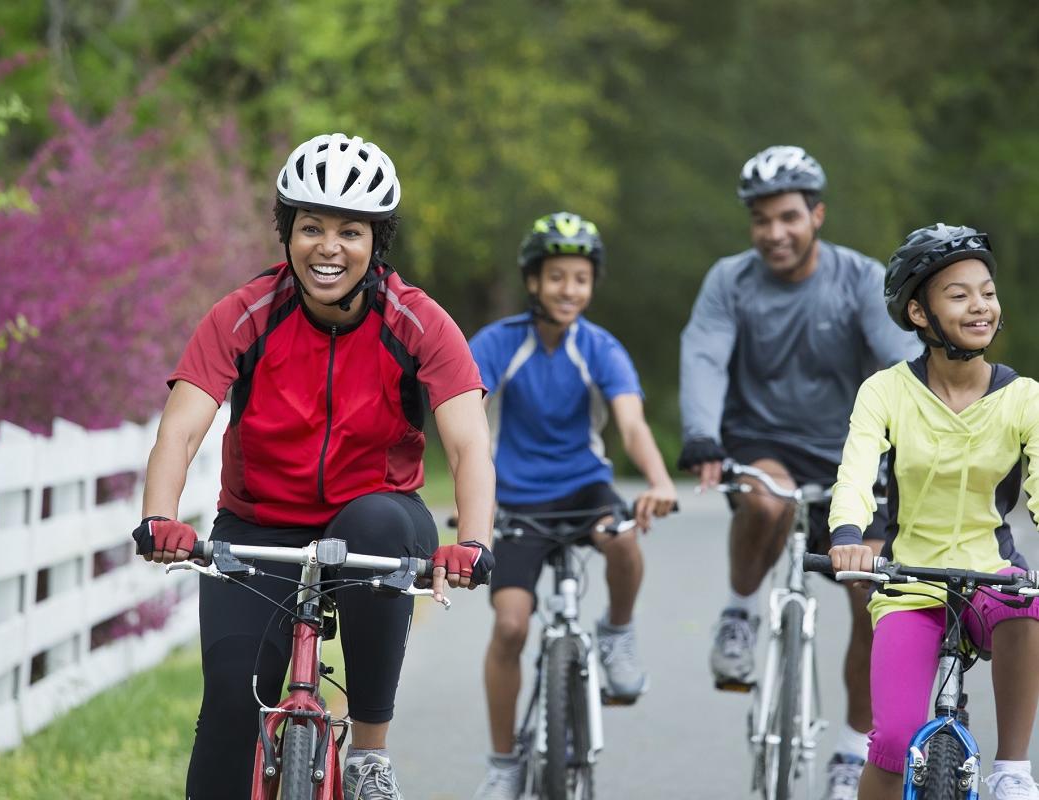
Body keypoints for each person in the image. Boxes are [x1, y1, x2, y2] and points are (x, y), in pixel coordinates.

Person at [130, 132, 496, 800]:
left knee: (377, 526)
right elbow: (181, 430)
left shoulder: (418, 322)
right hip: (257, 528)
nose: (329, 247)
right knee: (232, 710)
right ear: (287, 232)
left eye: (350, 231)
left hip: (379, 518)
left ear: (376, 241)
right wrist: (159, 517)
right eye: (311, 227)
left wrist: (472, 542)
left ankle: (369, 758)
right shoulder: (244, 313)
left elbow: (470, 442)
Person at [677, 145, 921, 799]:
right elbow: (703, 354)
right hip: (764, 443)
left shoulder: (860, 278)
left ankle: (850, 751)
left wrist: (918, 442)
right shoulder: (730, 281)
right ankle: (740, 610)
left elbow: (904, 364)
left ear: (817, 214)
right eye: (762, 220)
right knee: (763, 500)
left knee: (873, 601)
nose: (775, 233)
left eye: (788, 216)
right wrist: (701, 431)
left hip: (851, 456)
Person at [469, 212, 678, 799]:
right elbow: (470, 424)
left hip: (585, 488)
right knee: (510, 626)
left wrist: (658, 480)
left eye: (580, 278)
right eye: (557, 277)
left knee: (625, 540)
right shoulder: (496, 344)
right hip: (514, 497)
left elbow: (632, 425)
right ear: (534, 281)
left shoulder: (601, 348)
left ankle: (616, 630)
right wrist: (476, 497)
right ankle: (504, 762)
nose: (569, 290)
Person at [828, 224, 1039, 800]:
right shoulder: (885, 391)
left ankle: (1013, 771)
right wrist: (849, 534)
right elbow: (855, 472)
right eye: (959, 294)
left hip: (991, 575)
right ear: (920, 314)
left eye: (988, 292)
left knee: (1028, 604)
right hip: (908, 584)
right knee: (893, 745)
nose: (981, 306)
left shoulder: (1023, 398)